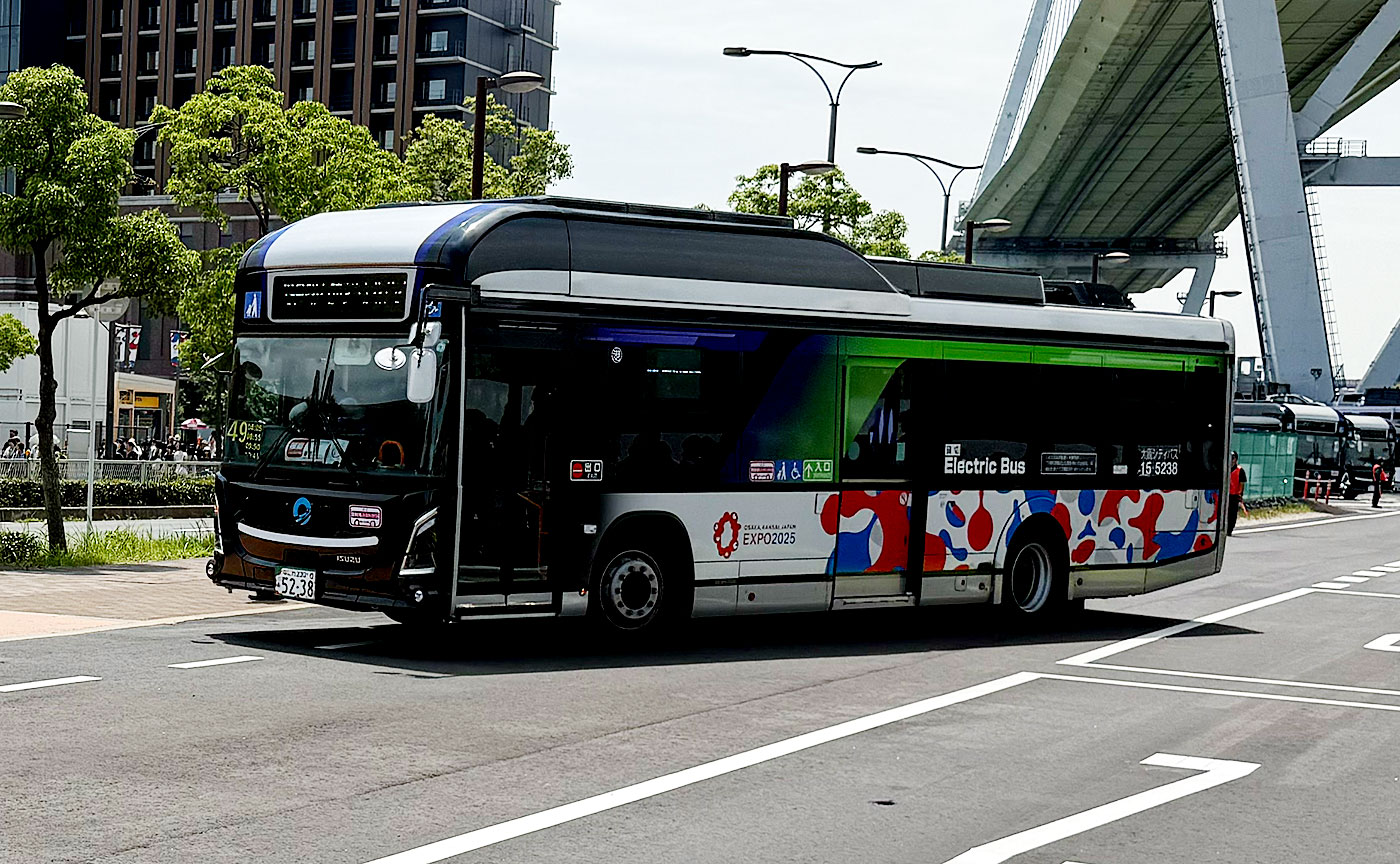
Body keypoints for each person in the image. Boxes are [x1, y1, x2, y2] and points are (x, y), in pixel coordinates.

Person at [1227, 451, 1247, 535]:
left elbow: (1242, 483)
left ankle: (1229, 529)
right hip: (1225, 495)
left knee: (1232, 514)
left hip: (1234, 495)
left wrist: (1240, 495)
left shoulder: (1240, 470)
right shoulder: (1225, 469)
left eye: (1233, 458)